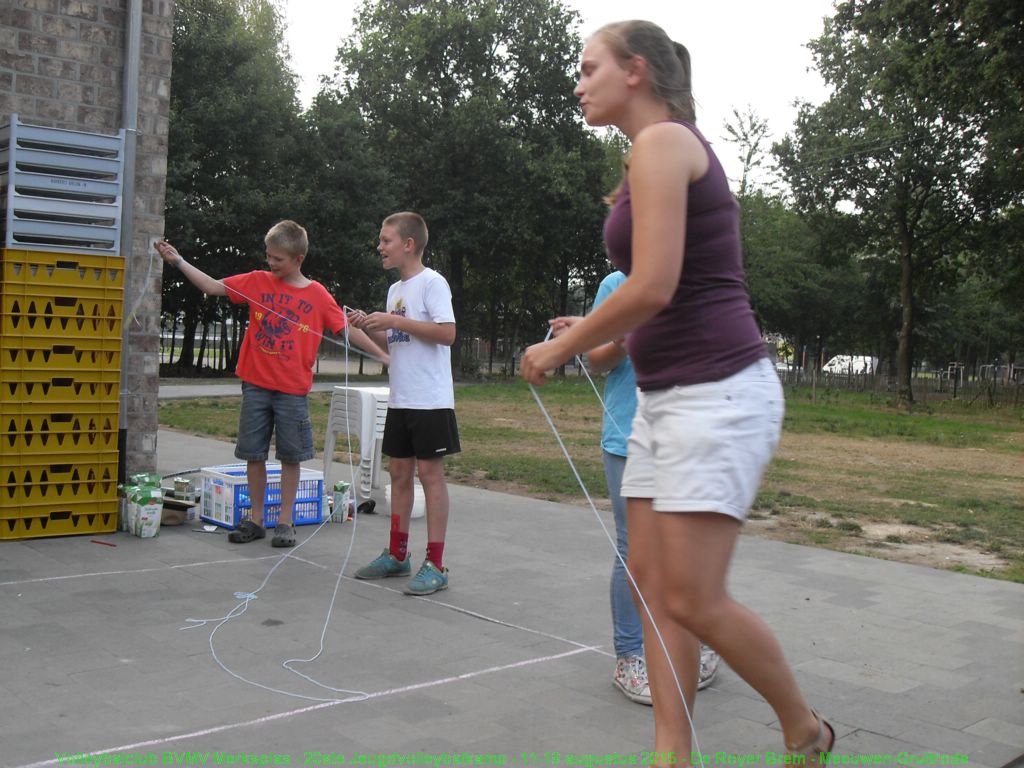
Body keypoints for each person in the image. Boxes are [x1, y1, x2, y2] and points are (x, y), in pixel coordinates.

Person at [521, 21, 834, 761]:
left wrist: (563, 346)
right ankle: (673, 755)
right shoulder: (646, 156)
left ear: (635, 70)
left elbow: (655, 284)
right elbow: (663, 287)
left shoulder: (665, 142)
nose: (578, 82)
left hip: (717, 394)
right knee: (654, 592)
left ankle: (805, 730)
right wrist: (599, 333)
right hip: (664, 400)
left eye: (589, 67)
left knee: (692, 597)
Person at [156, 220, 388, 548]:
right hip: (256, 385)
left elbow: (348, 331)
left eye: (278, 258)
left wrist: (383, 356)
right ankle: (256, 519)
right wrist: (178, 261)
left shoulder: (318, 294)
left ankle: (286, 521)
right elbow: (211, 286)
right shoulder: (256, 281)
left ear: (298, 259)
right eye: (269, 256)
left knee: (291, 457)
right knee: (253, 454)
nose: (271, 263)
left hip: (292, 390)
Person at [553, 271, 721, 708]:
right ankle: (629, 656)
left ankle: (696, 643)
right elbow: (597, 360)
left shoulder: (695, 277)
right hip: (629, 433)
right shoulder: (617, 284)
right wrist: (625, 335)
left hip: (685, 432)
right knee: (634, 549)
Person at [346, 212, 460, 596]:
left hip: (431, 400)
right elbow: (394, 346)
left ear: (408, 244)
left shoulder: (433, 283)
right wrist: (370, 326)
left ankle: (436, 563)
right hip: (401, 399)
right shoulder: (394, 290)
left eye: (386, 240)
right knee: (398, 474)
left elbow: (447, 333)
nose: (380, 246)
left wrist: (395, 321)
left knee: (431, 477)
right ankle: (397, 554)